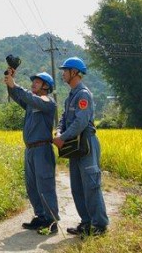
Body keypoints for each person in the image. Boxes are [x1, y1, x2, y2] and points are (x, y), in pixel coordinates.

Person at [53, 57, 109, 237]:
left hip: (86, 144)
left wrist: (63, 137)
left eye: (65, 71)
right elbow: (64, 118)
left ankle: (99, 224)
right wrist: (59, 131)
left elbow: (81, 121)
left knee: (91, 185)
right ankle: (86, 223)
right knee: (77, 186)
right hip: (74, 146)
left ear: (74, 73)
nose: (63, 74)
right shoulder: (71, 96)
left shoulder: (83, 94)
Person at [4, 67, 59, 233]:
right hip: (30, 150)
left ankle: (51, 221)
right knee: (32, 186)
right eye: (33, 81)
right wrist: (9, 82)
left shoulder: (47, 102)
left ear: (45, 86)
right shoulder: (31, 103)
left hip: (42, 149)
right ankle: (40, 216)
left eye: (37, 81)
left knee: (45, 185)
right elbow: (17, 95)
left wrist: (16, 85)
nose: (33, 83)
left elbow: (26, 95)